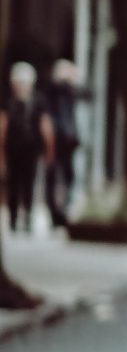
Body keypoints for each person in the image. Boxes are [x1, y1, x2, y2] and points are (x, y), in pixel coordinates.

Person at [4, 63, 55, 233]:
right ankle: (20, 219)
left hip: (26, 150)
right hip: (19, 149)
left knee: (20, 183)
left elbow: (45, 127)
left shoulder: (14, 101)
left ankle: (19, 219)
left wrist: (49, 150)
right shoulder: (30, 100)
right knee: (20, 184)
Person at [44, 60, 82, 229]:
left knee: (67, 177)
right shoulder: (54, 91)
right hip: (56, 140)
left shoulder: (68, 92)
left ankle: (61, 212)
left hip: (65, 140)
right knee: (55, 177)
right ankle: (57, 214)